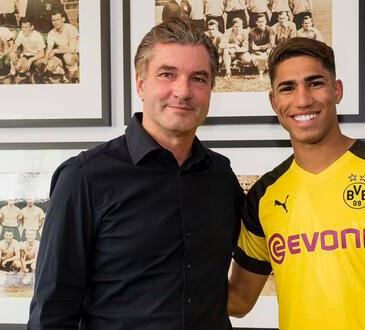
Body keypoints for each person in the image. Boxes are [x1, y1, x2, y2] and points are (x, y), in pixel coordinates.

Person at [29, 18, 243, 329]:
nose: (183, 91)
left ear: (211, 88)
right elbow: (51, 312)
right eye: (167, 74)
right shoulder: (84, 178)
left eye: (198, 78)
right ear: (141, 84)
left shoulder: (222, 177)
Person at [227, 37, 365, 330]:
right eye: (288, 88)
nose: (303, 99)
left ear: (337, 90)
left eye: (315, 83)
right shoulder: (263, 196)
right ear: (274, 102)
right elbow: (240, 300)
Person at [44, 11, 79, 82]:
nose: (56, 22)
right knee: (50, 66)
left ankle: (74, 76)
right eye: (53, 20)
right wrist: (45, 60)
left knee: (67, 57)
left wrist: (55, 50)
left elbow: (72, 49)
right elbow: (49, 49)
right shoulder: (51, 33)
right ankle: (64, 74)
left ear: (63, 19)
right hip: (61, 55)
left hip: (75, 55)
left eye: (58, 19)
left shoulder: (71, 28)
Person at [248, 14, 274, 79]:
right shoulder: (252, 32)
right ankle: (260, 72)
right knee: (253, 57)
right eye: (259, 22)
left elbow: (271, 44)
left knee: (270, 52)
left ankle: (267, 70)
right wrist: (258, 52)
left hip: (267, 50)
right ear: (256, 22)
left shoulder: (269, 29)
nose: (261, 23)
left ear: (265, 21)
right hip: (256, 52)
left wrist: (259, 47)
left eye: (263, 21)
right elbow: (251, 47)